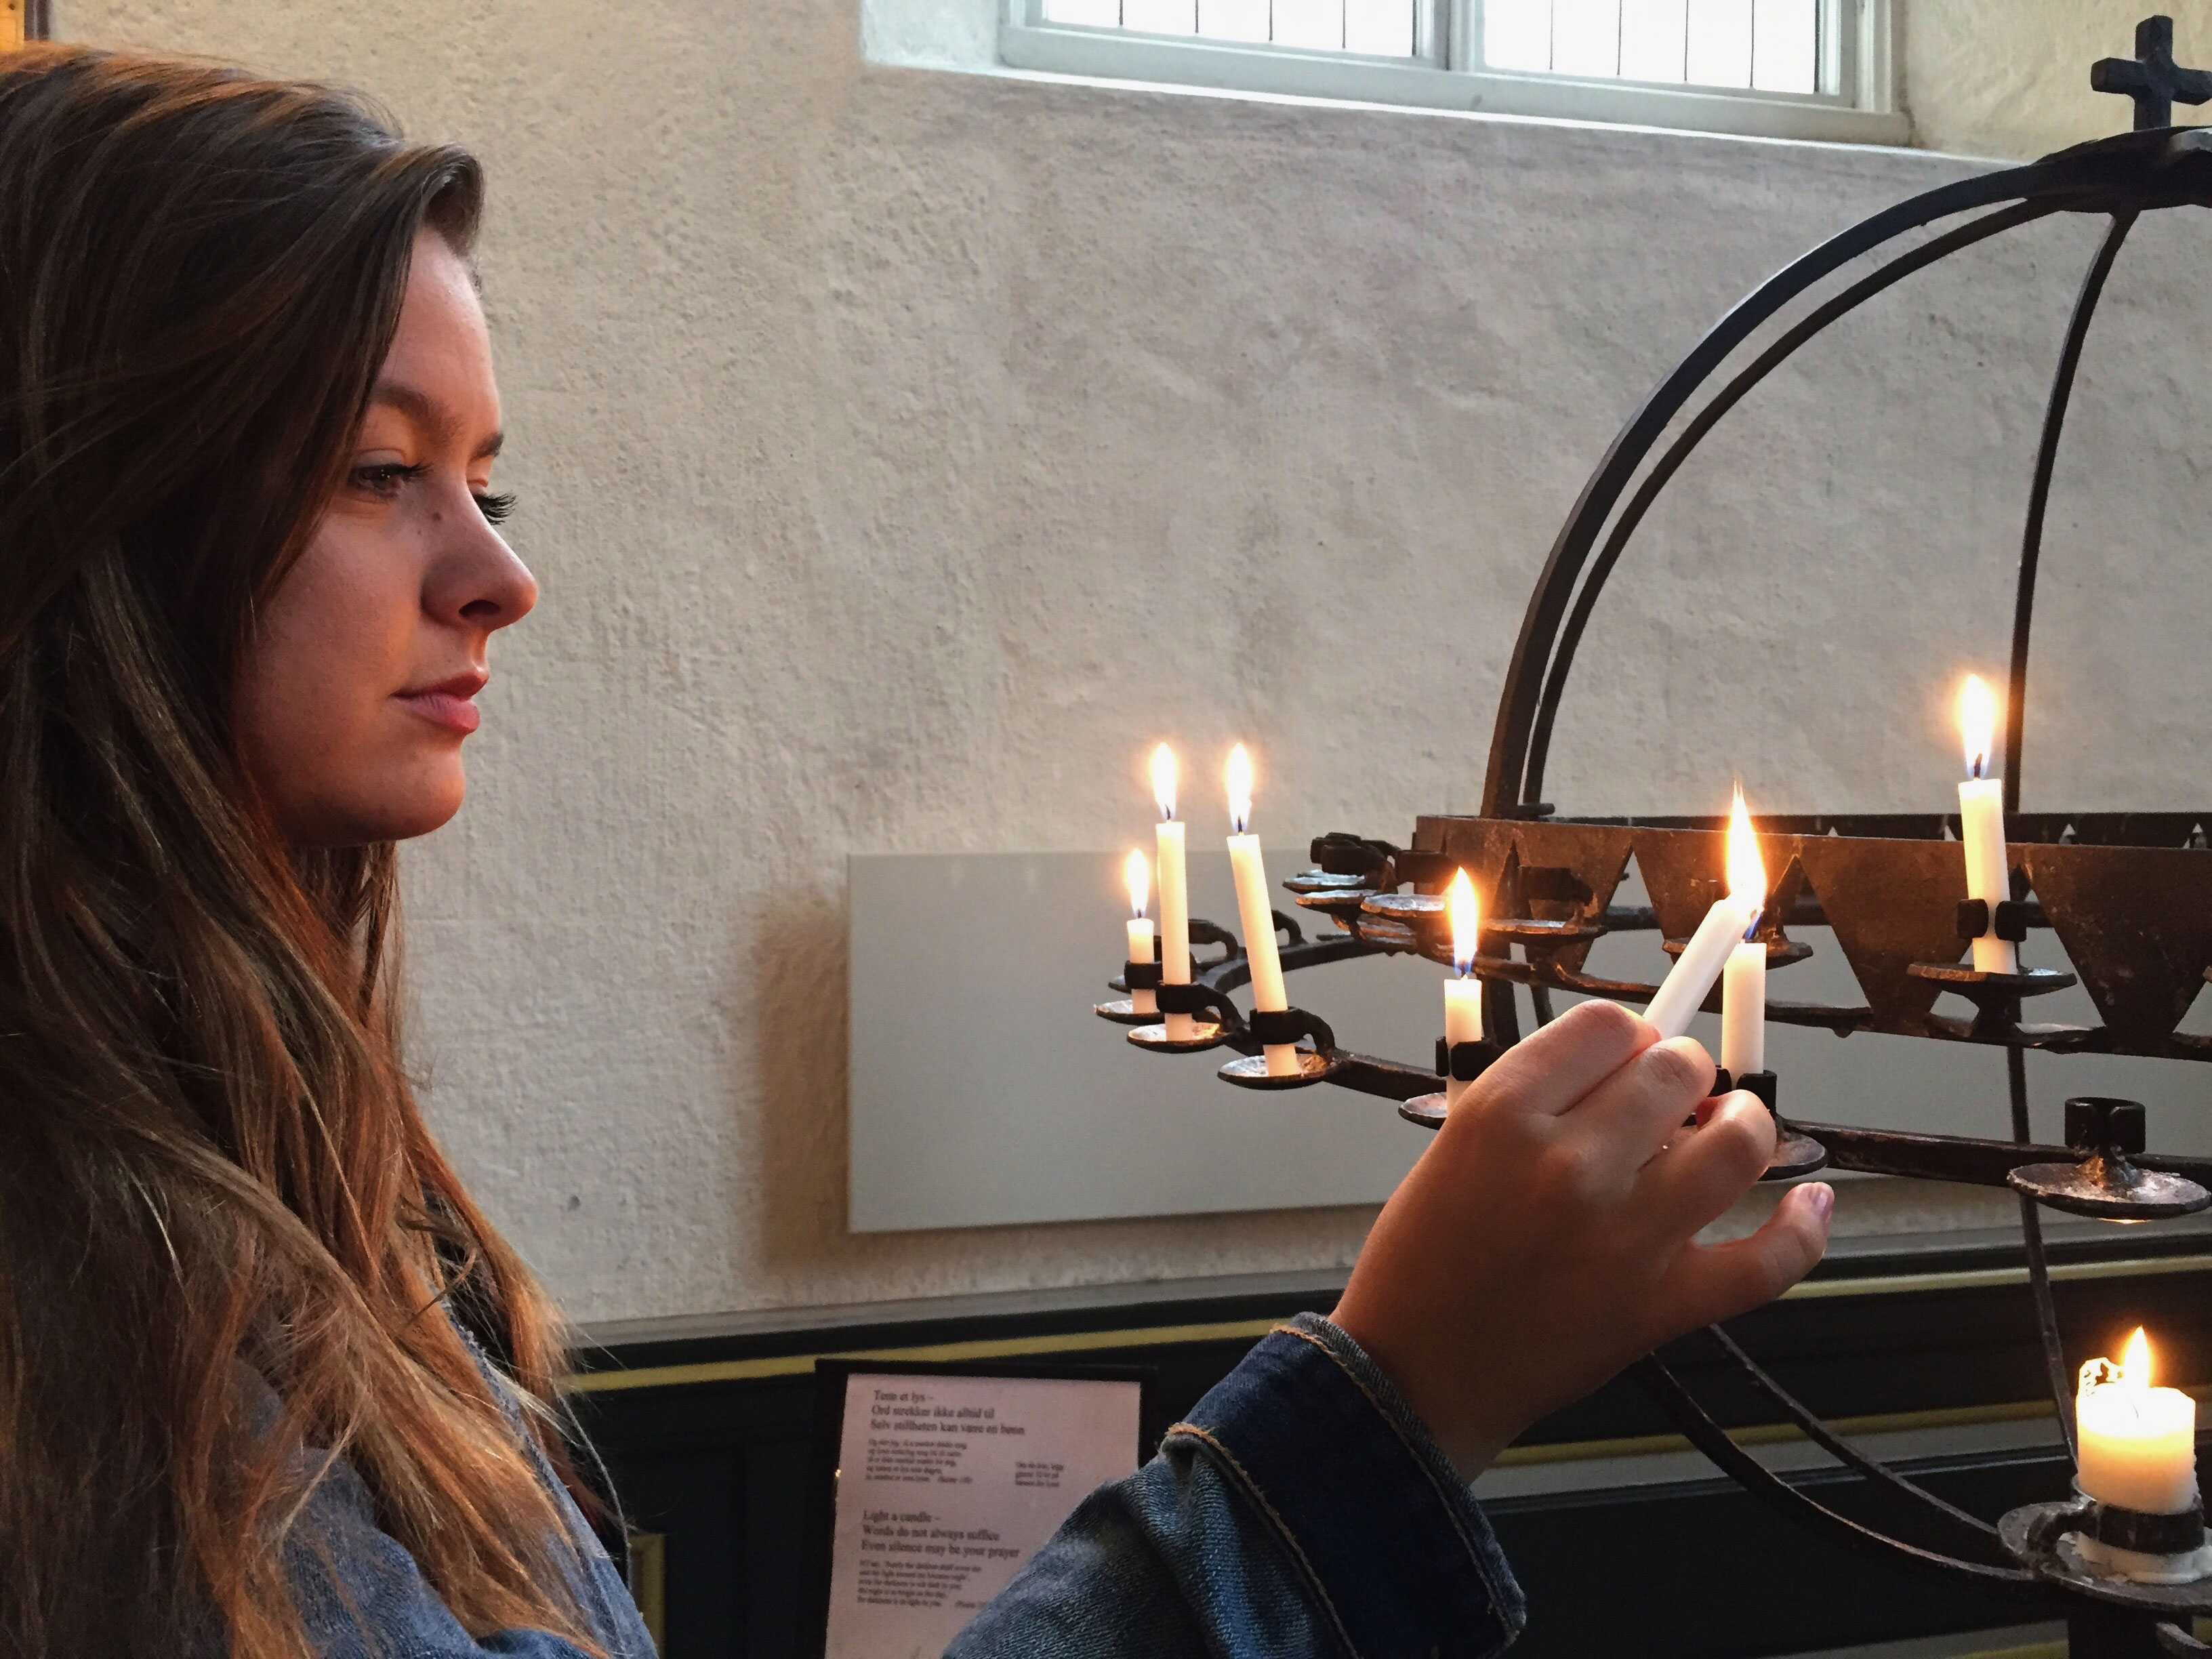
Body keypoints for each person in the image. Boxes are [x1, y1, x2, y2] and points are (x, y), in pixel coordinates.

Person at [0, 42, 1833, 1659]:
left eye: (493, 481)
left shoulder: (271, 1176)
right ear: (84, 503)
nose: (502, 575)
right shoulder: (86, 1312)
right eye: (370, 469)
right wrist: (1399, 1397)